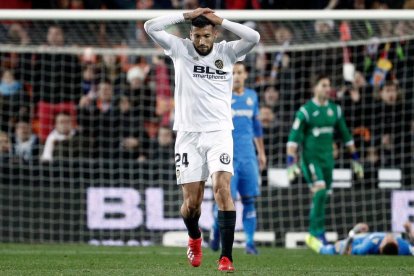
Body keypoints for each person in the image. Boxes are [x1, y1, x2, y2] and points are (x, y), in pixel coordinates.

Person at [144, 7, 260, 271]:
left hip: (219, 132)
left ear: (215, 34)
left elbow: (254, 37)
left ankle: (226, 256)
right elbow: (150, 26)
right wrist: (185, 15)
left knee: (222, 190)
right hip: (188, 134)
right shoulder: (180, 49)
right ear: (191, 34)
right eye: (197, 36)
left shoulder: (227, 52)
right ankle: (194, 236)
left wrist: (223, 20)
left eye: (207, 36)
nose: (201, 42)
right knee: (191, 205)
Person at [286, 74, 364, 245]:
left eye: (329, 85)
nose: (327, 88)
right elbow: (294, 136)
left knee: (322, 196)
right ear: (315, 88)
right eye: (323, 85)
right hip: (310, 159)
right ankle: (315, 233)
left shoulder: (335, 110)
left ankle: (317, 231)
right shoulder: (305, 111)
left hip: (328, 160)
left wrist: (356, 158)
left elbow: (346, 135)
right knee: (320, 190)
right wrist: (290, 161)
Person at [210, 62, 266, 255]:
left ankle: (250, 243)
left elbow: (257, 128)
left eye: (239, 72)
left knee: (249, 200)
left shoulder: (252, 97)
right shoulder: (221, 96)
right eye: (233, 72)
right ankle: (216, 233)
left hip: (248, 156)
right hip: (227, 157)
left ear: (245, 75)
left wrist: (262, 152)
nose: (236, 76)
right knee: (226, 200)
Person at [306, 222, 414, 256]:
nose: (389, 237)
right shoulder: (403, 247)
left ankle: (313, 242)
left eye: (387, 240)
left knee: (331, 250)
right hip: (365, 235)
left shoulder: (367, 247)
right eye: (393, 239)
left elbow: (348, 251)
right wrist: (410, 231)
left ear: (381, 247)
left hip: (356, 240)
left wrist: (355, 230)